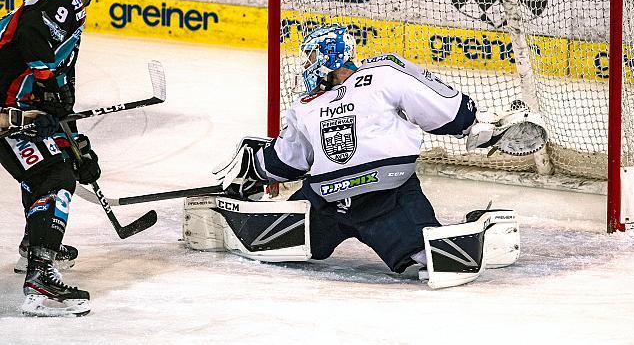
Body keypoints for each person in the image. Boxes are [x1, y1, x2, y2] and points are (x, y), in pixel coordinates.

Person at [212, 25, 541, 284]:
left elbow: (285, 161)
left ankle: (484, 234)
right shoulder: (319, 99)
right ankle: (474, 237)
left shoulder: (368, 79)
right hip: (355, 197)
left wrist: (254, 168)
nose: (307, 66)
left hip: (361, 195)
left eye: (312, 58)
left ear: (332, 57)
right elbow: (291, 158)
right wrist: (253, 168)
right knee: (267, 244)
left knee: (437, 260)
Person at [0, 0, 108, 316]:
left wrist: (74, 138)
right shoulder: (65, 1)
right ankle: (40, 282)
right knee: (56, 176)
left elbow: (57, 94)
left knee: (54, 164)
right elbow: (30, 31)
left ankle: (35, 245)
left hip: (17, 111)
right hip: (5, 115)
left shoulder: (66, 14)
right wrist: (47, 77)